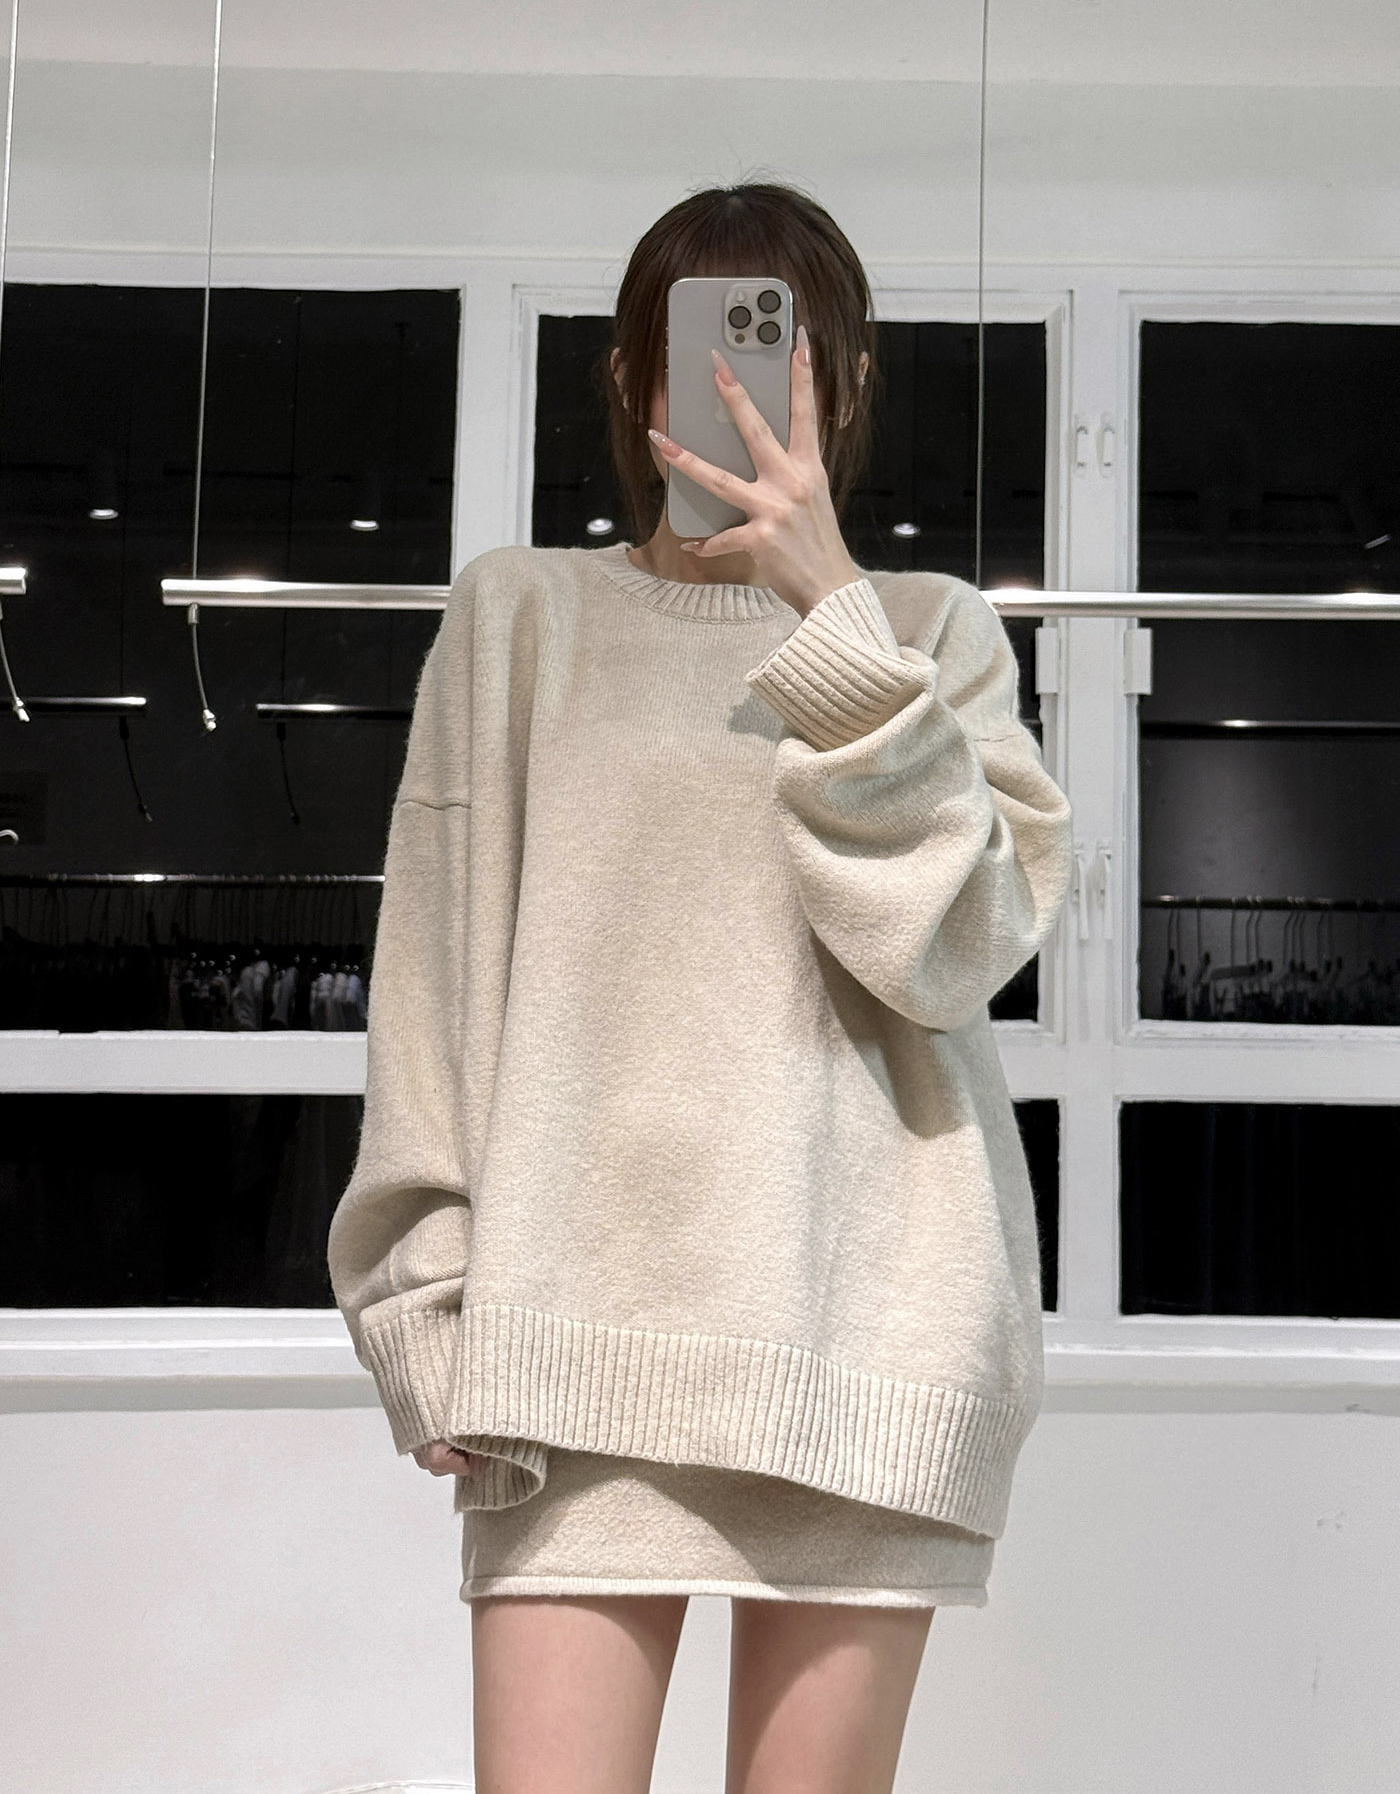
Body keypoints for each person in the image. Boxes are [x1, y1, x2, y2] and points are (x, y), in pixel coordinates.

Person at [328, 180, 1074, 1794]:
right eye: (701, 346)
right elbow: (435, 983)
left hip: (868, 1337)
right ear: (631, 375)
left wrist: (833, 621)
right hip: (571, 1345)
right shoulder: (522, 615)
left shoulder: (930, 636)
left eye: (782, 351)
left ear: (843, 379)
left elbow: (954, 951)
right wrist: (419, 1302)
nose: (738, 390)